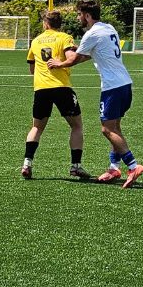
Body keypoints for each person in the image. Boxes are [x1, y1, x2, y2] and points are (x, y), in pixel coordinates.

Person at [48, 0, 143, 189]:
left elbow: (75, 59)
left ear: (87, 15)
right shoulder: (109, 28)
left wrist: (59, 63)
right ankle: (113, 168)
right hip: (125, 84)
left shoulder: (91, 34)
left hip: (112, 87)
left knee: (107, 130)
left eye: (79, 15)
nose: (78, 18)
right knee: (115, 128)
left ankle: (133, 166)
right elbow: (88, 54)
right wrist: (76, 54)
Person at [22, 10, 89, 180]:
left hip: (41, 88)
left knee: (37, 127)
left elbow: (32, 69)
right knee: (76, 126)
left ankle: (27, 164)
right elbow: (71, 57)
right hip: (61, 87)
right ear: (60, 24)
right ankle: (75, 166)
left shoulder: (36, 41)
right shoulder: (64, 38)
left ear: (46, 24)